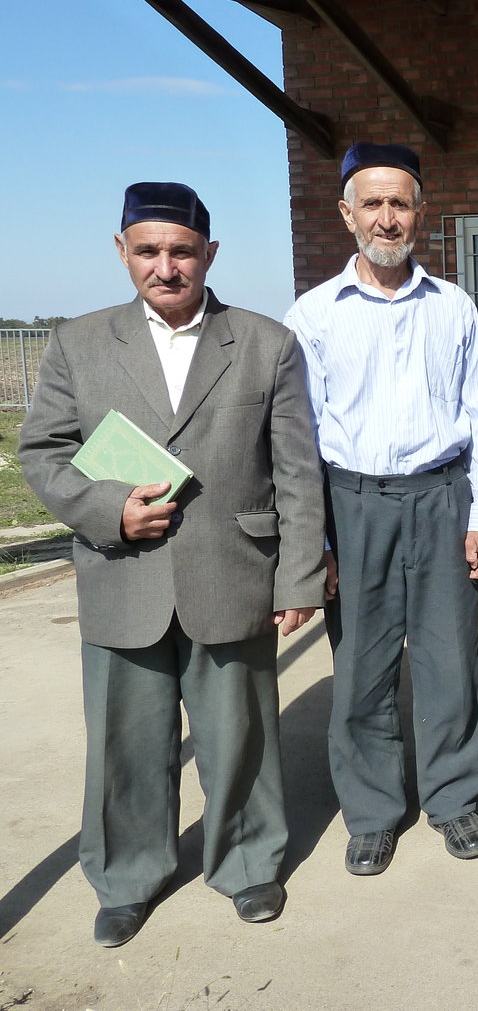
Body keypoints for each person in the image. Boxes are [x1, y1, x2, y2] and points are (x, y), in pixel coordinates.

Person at [19, 182, 326, 946]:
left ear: (209, 254)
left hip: (234, 572)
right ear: (121, 252)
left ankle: (248, 864)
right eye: (148, 250)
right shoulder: (79, 343)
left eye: (182, 251)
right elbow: (44, 451)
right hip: (123, 576)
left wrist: (297, 576)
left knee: (240, 739)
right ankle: (128, 876)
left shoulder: (265, 342)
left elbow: (296, 470)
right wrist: (108, 510)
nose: (166, 267)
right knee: (126, 743)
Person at [283, 143, 478, 877]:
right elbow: (300, 437)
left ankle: (453, 798)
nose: (386, 218)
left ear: (420, 213)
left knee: (450, 660)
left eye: (399, 203)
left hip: (442, 499)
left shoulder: (454, 307)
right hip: (353, 505)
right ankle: (373, 813)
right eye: (371, 204)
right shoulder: (314, 315)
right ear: (346, 215)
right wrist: (315, 542)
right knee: (361, 667)